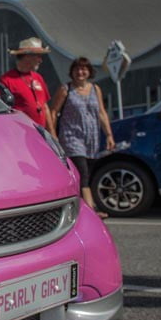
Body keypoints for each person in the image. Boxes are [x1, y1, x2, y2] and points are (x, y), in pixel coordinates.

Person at [50, 57, 115, 217]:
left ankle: (78, 207)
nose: (80, 72)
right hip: (71, 137)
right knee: (82, 172)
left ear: (89, 72)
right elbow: (53, 111)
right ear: (72, 72)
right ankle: (92, 210)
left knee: (88, 173)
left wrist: (109, 135)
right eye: (77, 69)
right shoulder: (66, 89)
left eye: (83, 69)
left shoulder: (95, 89)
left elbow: (101, 112)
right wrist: (52, 134)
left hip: (91, 138)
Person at [0, 37, 56, 133]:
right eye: (38, 56)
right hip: (19, 133)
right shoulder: (7, 80)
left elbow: (44, 106)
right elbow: (2, 110)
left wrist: (52, 133)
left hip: (41, 133)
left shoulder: (38, 77)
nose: (41, 60)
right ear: (27, 56)